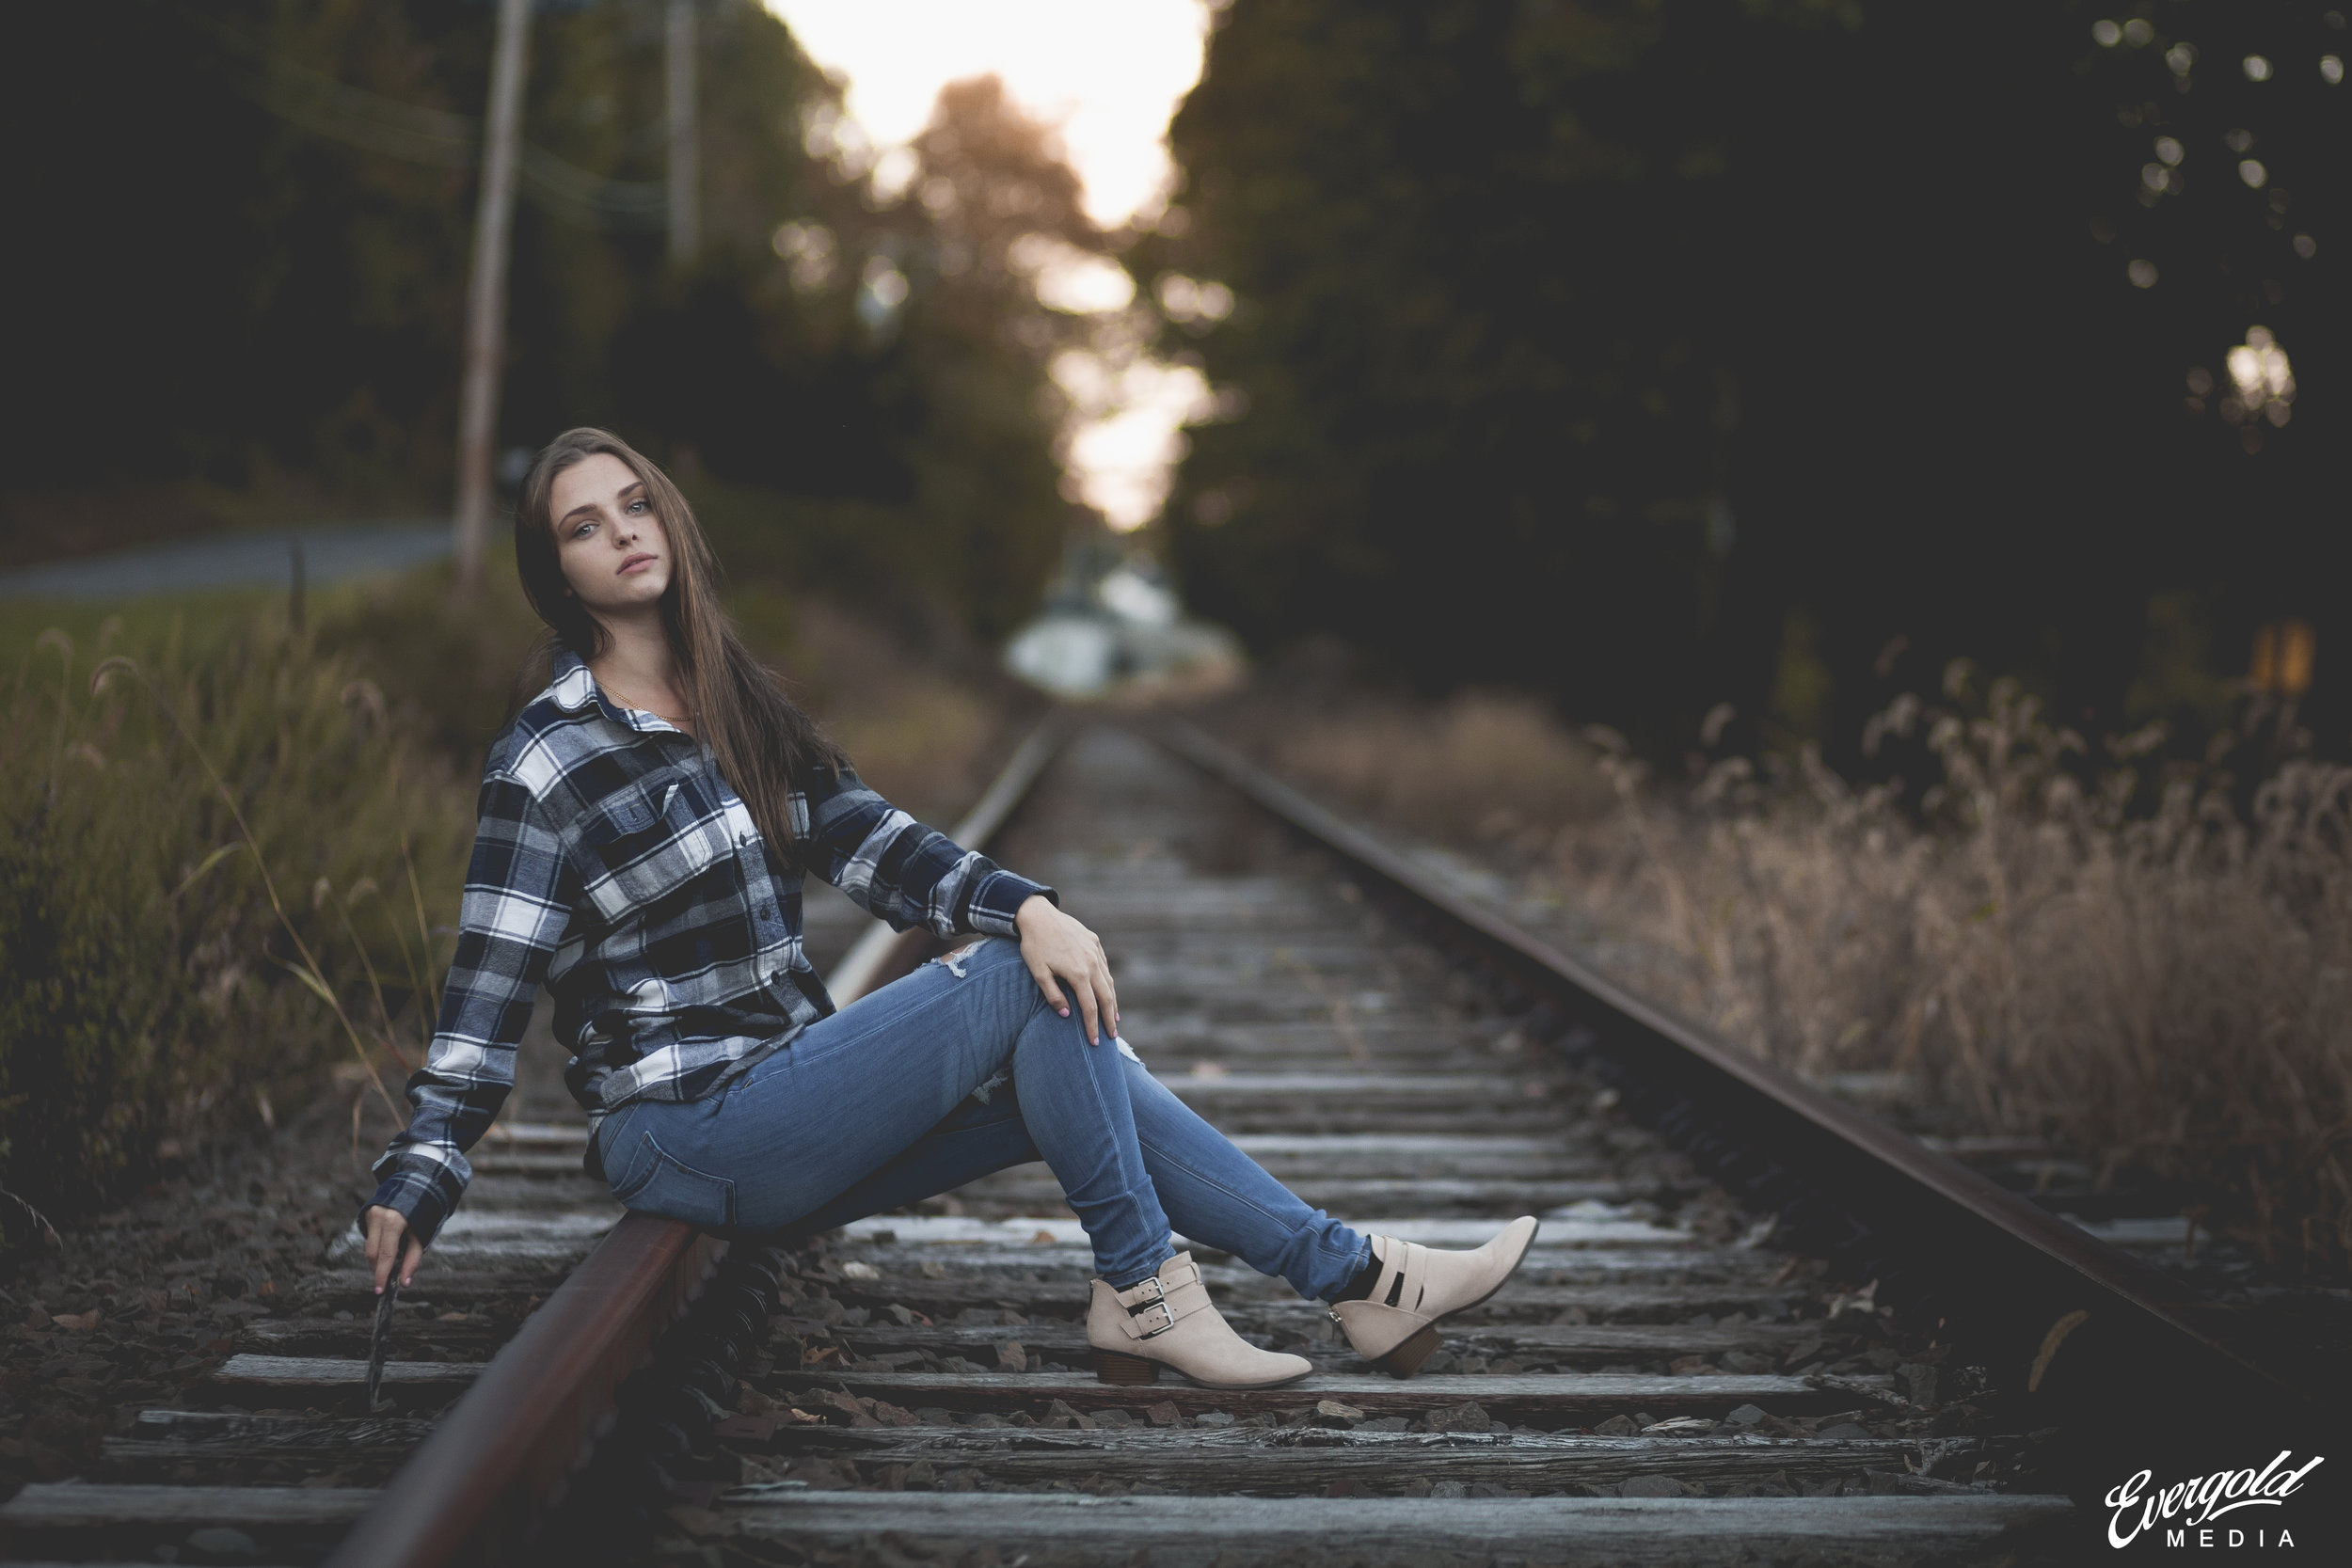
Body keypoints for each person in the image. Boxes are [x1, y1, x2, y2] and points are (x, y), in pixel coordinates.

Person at [360, 427, 1537, 1388]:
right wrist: (422, 1176)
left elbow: (876, 843)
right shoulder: (548, 758)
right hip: (686, 1125)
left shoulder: (732, 701)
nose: (621, 532)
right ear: (555, 572)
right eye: (583, 524)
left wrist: (1018, 900)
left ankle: (1358, 1281)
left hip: (786, 1085)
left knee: (1059, 1046)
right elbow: (486, 994)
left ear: (668, 518)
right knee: (1031, 977)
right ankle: (1149, 1287)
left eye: (634, 505)